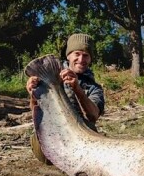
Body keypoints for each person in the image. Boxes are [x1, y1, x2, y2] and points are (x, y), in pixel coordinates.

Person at [26, 33, 105, 164]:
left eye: (86, 55)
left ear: (90, 59)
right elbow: (35, 109)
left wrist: (77, 89)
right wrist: (33, 93)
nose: (81, 59)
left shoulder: (95, 88)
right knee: (45, 153)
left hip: (82, 137)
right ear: (68, 56)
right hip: (52, 134)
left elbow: (93, 116)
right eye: (77, 54)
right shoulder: (50, 78)